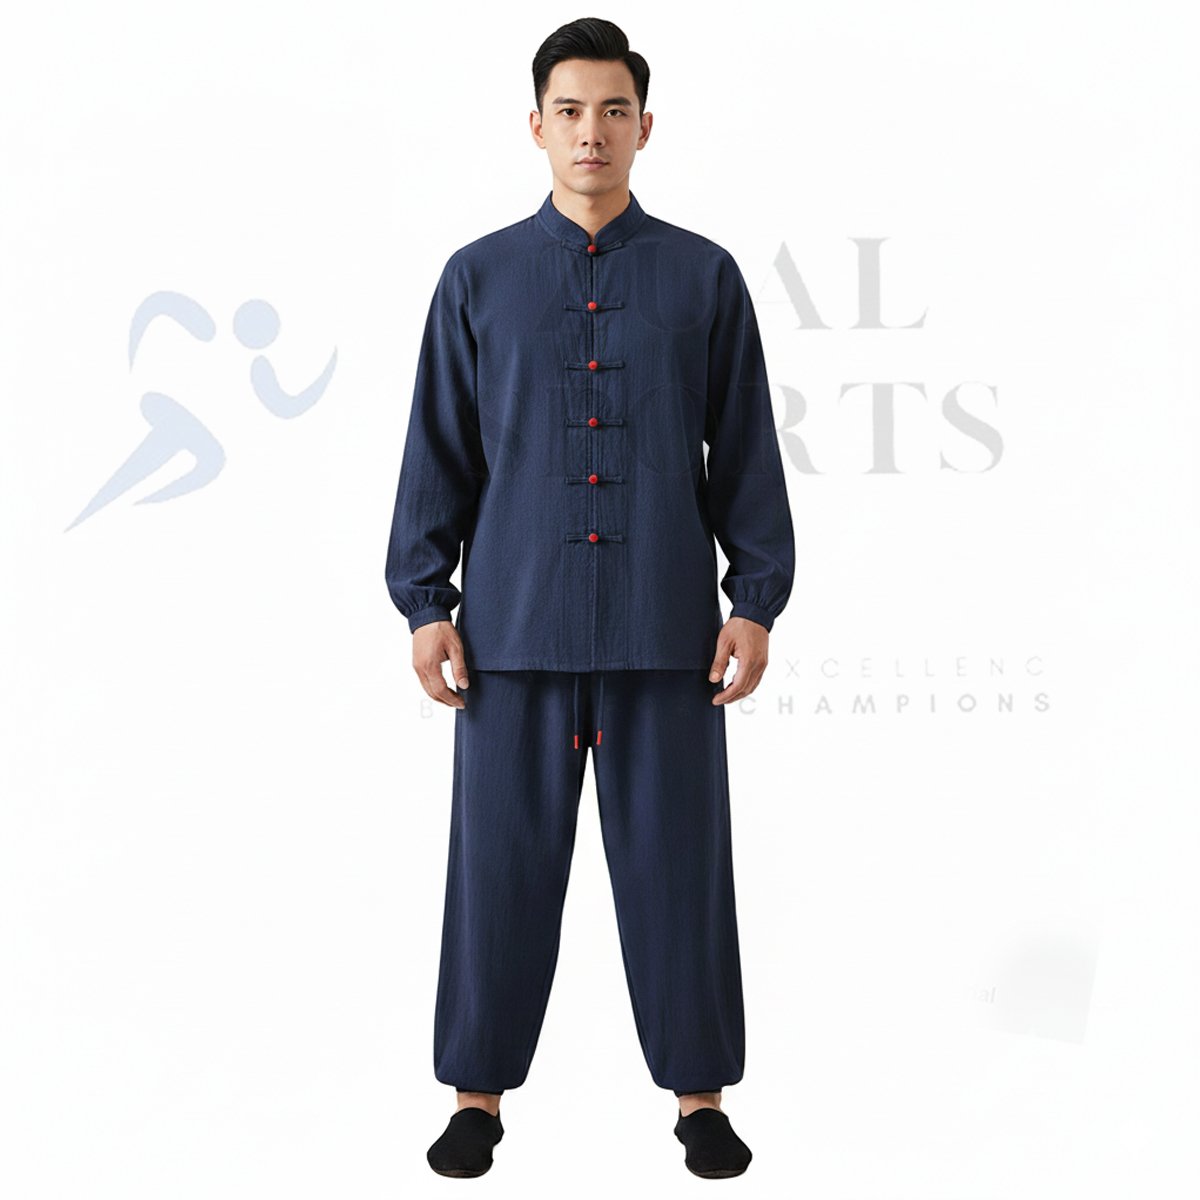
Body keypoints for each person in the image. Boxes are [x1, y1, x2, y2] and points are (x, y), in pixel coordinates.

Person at [383, 17, 795, 1180]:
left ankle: (700, 1102)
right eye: (569, 110)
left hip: (668, 635)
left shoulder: (703, 277)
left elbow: (745, 452)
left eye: (614, 110)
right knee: (498, 874)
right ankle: (476, 1100)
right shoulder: (477, 279)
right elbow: (438, 453)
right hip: (511, 634)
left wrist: (756, 599)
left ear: (645, 126)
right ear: (536, 126)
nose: (591, 132)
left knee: (680, 874)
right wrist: (425, 602)